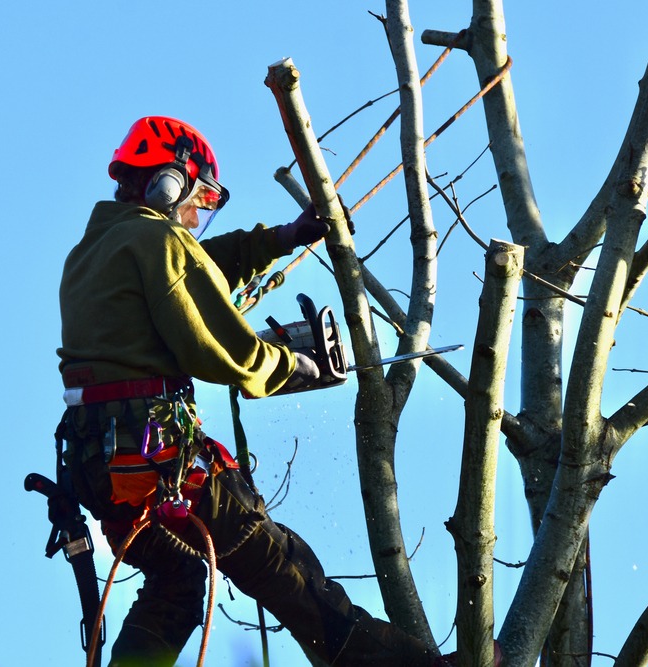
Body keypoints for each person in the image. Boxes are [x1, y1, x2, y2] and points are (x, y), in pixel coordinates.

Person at [56, 116, 440, 667]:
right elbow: (219, 347)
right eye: (196, 200)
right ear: (168, 184)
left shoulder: (95, 250)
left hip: (101, 469)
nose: (195, 217)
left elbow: (196, 272)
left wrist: (281, 240)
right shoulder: (157, 240)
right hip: (158, 458)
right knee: (285, 570)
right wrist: (289, 367)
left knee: (179, 579)